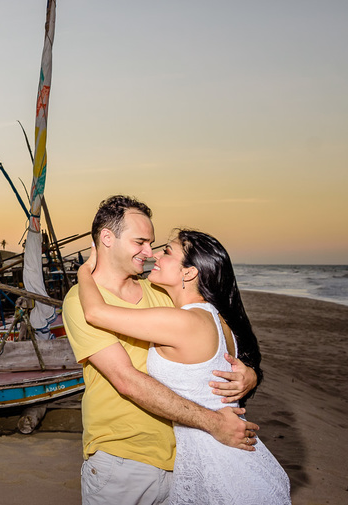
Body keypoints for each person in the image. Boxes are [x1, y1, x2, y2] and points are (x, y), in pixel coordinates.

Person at [62, 195, 259, 505]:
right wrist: (215, 423)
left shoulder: (160, 289)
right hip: (124, 462)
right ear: (107, 238)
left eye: (153, 244)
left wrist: (250, 374)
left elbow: (218, 334)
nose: (149, 252)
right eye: (140, 241)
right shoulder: (79, 301)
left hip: (185, 460)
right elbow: (127, 380)